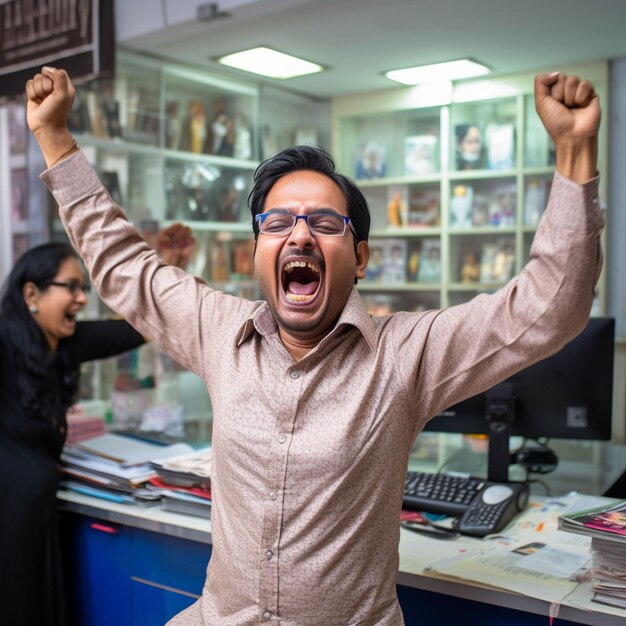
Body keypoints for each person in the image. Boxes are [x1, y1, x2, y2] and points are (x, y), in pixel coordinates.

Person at [25, 66, 603, 626]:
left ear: (360, 258)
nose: (299, 234)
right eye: (276, 223)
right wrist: (54, 137)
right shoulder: (220, 333)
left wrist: (575, 154)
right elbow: (125, 265)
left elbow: (548, 307)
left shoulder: (405, 355)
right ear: (256, 253)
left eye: (325, 223)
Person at [0, 229, 193, 626]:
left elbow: (136, 328)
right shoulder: (4, 343)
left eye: (83, 287)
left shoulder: (64, 344)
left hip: (36, 520)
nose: (82, 299)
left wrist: (170, 268)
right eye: (70, 287)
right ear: (32, 295)